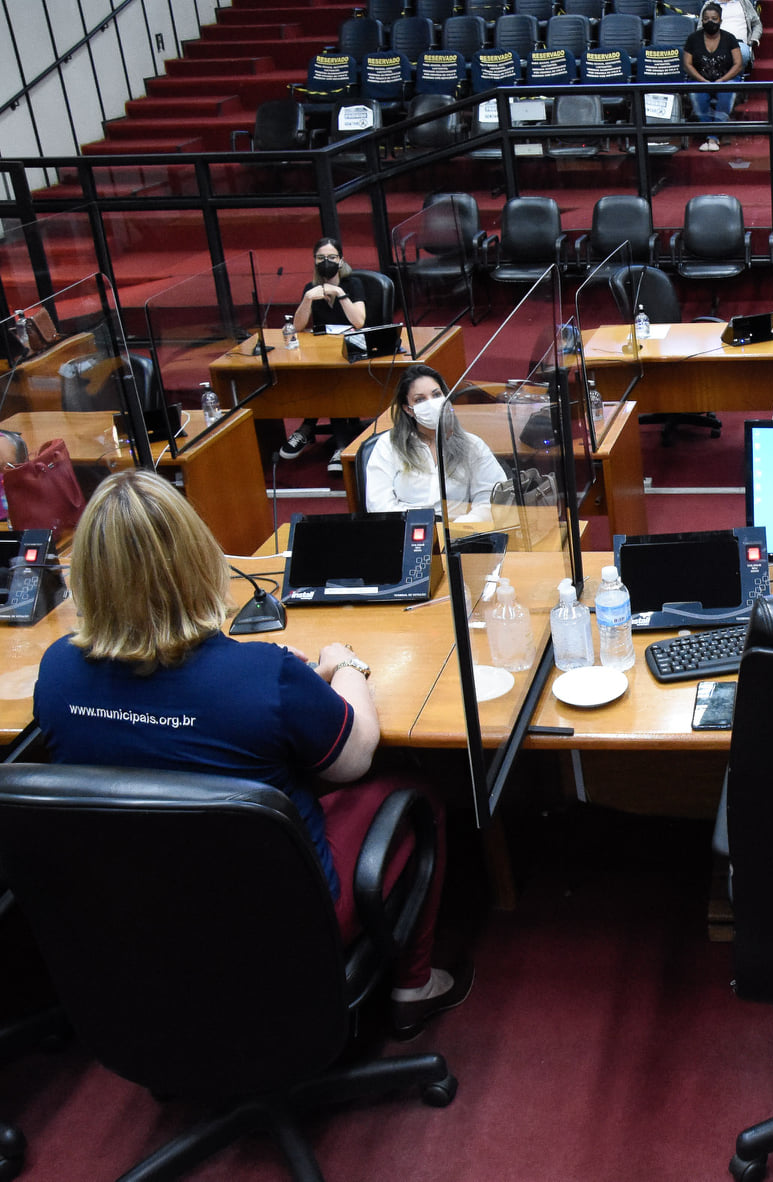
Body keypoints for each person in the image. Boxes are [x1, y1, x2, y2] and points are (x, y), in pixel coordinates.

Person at [31, 469, 472, 1039]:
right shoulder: (263, 675)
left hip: (137, 914)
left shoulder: (58, 673)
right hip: (284, 916)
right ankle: (413, 987)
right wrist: (344, 665)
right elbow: (354, 756)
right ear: (198, 560)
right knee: (414, 792)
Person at [365, 365, 507, 519]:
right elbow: (378, 503)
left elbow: (491, 498)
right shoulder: (388, 444)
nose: (431, 403)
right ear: (408, 409)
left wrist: (461, 528)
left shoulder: (472, 445)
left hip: (458, 533)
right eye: (420, 399)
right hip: (405, 532)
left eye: (436, 395)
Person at [280, 237, 369, 475]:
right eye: (321, 258)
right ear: (314, 261)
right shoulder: (310, 289)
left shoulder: (353, 284)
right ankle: (314, 430)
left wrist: (339, 293)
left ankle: (320, 434)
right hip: (322, 353)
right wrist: (308, 298)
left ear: (340, 260)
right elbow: (297, 327)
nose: (326, 262)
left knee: (333, 381)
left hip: (351, 353)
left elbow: (359, 322)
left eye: (331, 257)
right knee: (320, 376)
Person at [682, 2, 744, 153]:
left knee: (725, 96)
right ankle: (713, 137)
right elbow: (687, 64)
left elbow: (738, 64)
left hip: (726, 79)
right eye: (706, 18)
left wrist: (723, 80)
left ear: (720, 20)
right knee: (699, 98)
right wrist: (701, 80)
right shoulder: (693, 39)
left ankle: (712, 138)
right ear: (702, 21)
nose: (710, 22)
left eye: (714, 18)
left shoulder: (729, 38)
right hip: (699, 79)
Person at [718, 0, 761, 72]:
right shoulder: (710, 4)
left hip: (739, 44)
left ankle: (733, 80)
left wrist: (754, 38)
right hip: (716, 44)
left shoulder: (745, 2)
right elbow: (701, 27)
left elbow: (757, 24)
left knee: (742, 54)